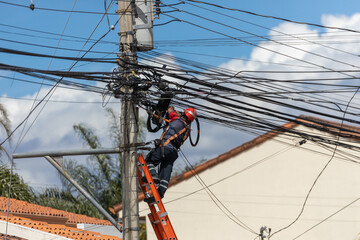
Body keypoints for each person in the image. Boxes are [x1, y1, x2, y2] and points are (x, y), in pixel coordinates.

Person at [143, 107, 197, 203]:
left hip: (165, 147)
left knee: (149, 161)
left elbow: (171, 113)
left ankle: (153, 175)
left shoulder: (177, 120)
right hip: (172, 153)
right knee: (165, 174)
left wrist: (170, 109)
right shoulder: (187, 130)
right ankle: (160, 194)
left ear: (184, 114)